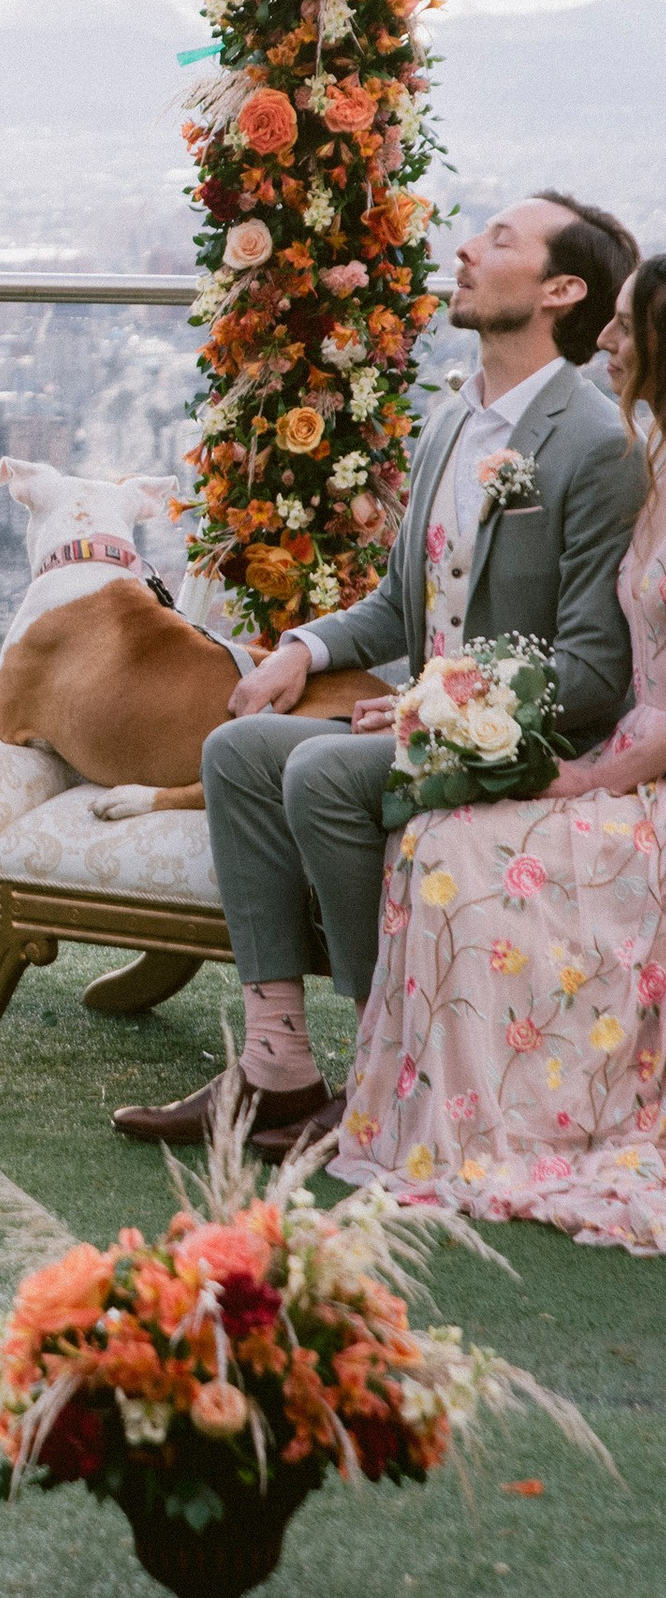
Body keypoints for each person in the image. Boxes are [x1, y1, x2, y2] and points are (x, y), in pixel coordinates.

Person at [114, 194, 646, 1156]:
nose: (467, 248)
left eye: (499, 240)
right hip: (422, 730)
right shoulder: (449, 424)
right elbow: (405, 605)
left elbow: (595, 673)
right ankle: (278, 1067)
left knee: (318, 772)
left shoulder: (597, 445)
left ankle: (378, 1073)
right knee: (238, 749)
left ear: (562, 290)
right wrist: (303, 650)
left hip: (528, 747)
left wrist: (436, 714)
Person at [332, 256, 666, 1247]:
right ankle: (428, 1120)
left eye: (625, 330)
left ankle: (519, 1122)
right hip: (630, 753)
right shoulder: (655, 465)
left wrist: (591, 773)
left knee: (462, 857)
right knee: (440, 829)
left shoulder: (615, 454)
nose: (605, 343)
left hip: (640, 768)